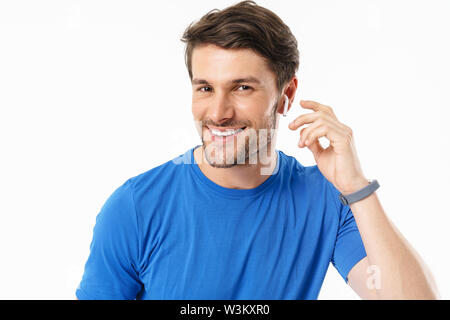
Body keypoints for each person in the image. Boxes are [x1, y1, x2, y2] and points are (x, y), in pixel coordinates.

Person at [76, 0, 439, 300]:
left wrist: (356, 185)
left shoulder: (327, 199)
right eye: (205, 88)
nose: (218, 113)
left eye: (242, 88)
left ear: (287, 95)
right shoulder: (136, 207)